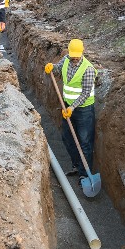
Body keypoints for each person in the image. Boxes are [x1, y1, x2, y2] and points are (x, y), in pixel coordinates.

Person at [45, 39, 97, 184]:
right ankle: (76, 165)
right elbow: (57, 69)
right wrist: (51, 67)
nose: (74, 57)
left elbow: (86, 93)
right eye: (72, 54)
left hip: (83, 110)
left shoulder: (88, 69)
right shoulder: (66, 59)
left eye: (77, 55)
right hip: (67, 107)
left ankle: (84, 175)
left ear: (82, 52)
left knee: (85, 142)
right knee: (67, 137)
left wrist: (72, 107)